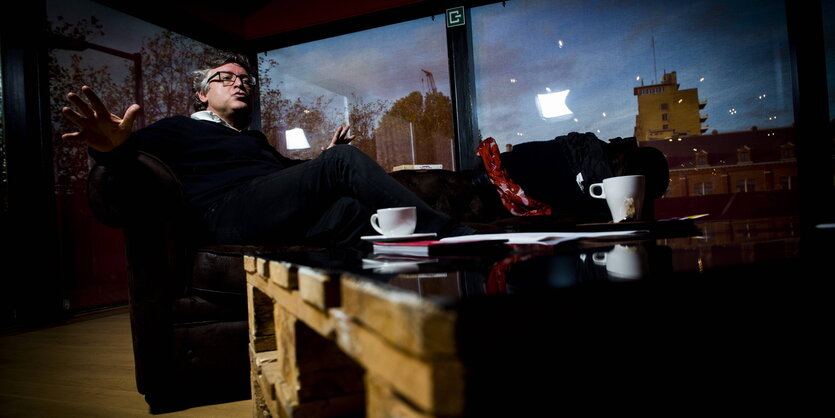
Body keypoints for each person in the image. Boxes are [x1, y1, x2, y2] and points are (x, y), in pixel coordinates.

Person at [62, 53, 474, 247]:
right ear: (203, 95)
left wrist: (325, 156)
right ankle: (455, 234)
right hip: (221, 216)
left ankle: (399, 297)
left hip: (267, 210)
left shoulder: (253, 140)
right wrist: (110, 149)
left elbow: (290, 176)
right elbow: (128, 160)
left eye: (245, 80)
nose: (240, 83)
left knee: (350, 210)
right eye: (226, 78)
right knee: (342, 163)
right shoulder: (178, 128)